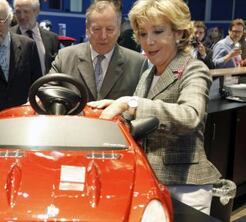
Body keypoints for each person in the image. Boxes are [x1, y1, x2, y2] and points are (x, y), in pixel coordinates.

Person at [88, 0, 221, 214]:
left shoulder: (194, 69)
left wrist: (130, 103)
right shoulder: (148, 74)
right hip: (150, 183)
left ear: (178, 33)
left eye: (158, 31)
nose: (148, 41)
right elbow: (141, 116)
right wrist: (119, 106)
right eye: (142, 34)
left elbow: (191, 115)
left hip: (185, 188)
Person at [49, 1, 149, 101]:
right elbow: (47, 90)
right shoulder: (65, 57)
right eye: (97, 29)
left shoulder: (138, 64)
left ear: (119, 30)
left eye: (110, 29)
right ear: (87, 30)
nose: (103, 36)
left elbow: (143, 104)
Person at [10, 0, 59, 74]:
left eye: (26, 11)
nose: (22, 16)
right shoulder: (9, 36)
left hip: (45, 84)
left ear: (36, 11)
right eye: (18, 12)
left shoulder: (52, 39)